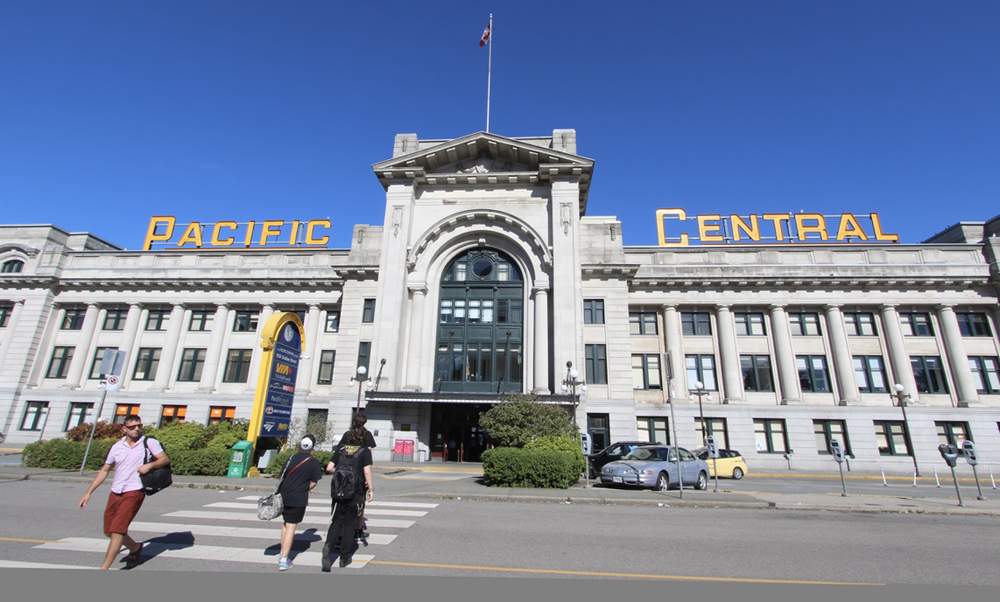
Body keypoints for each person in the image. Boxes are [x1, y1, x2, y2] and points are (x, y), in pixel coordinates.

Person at [78, 414, 169, 570]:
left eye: (139, 426)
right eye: (133, 427)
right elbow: (105, 470)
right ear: (124, 429)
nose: (137, 429)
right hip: (116, 491)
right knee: (108, 531)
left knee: (118, 530)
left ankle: (104, 568)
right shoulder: (117, 447)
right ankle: (135, 547)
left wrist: (149, 466)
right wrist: (89, 492)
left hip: (135, 491)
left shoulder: (148, 442)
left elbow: (164, 459)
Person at [322, 426, 373, 571]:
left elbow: (329, 468)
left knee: (336, 521)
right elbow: (367, 472)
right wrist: (370, 489)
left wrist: (340, 473)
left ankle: (328, 547)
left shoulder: (341, 450)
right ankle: (344, 557)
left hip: (339, 490)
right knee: (350, 524)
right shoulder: (364, 451)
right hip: (355, 491)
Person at [275, 434, 323, 571]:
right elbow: (314, 482)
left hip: (284, 494)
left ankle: (282, 551)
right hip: (298, 497)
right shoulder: (313, 462)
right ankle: (284, 559)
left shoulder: (291, 458)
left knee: (285, 524)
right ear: (313, 446)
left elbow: (282, 475)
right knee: (291, 526)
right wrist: (303, 488)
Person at [339, 413, 375, 546]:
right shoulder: (367, 434)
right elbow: (369, 452)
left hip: (344, 473)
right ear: (364, 422)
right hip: (359, 473)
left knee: (342, 504)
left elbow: (339, 451)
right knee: (360, 503)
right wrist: (369, 481)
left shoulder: (347, 434)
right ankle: (357, 530)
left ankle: (340, 534)